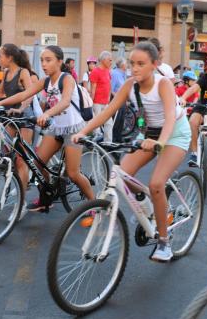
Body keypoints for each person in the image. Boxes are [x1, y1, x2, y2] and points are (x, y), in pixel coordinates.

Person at [73, 41, 191, 262]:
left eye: (140, 64)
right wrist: (84, 132)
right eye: (131, 63)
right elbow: (107, 111)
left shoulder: (163, 84)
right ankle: (151, 211)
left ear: (154, 65)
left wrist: (161, 142)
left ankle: (164, 242)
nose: (134, 68)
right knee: (122, 175)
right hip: (148, 134)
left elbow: (168, 118)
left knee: (157, 184)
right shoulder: (130, 85)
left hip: (174, 133)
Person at [0, 45, 95, 212]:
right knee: (37, 164)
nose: (44, 64)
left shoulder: (67, 78)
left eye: (48, 60)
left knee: (73, 174)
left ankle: (95, 205)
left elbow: (65, 101)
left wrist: (47, 114)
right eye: (42, 60)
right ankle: (46, 198)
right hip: (56, 127)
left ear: (59, 61)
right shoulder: (46, 81)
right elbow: (23, 95)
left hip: (73, 129)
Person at [0, 43, 36, 215]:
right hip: (11, 117)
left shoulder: (23, 72)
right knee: (7, 154)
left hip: (24, 117)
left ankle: (22, 203)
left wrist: (20, 108)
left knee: (21, 159)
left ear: (10, 57)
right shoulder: (6, 73)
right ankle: (16, 181)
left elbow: (30, 93)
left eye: (0, 55)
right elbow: (1, 93)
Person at [90, 51, 113, 142]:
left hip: (105, 102)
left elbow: (109, 84)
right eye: (110, 60)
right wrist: (91, 102)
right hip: (97, 102)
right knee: (97, 124)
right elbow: (93, 88)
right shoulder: (95, 71)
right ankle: (96, 143)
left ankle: (108, 143)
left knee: (109, 123)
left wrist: (109, 98)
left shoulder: (107, 71)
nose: (111, 62)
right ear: (103, 60)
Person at [111, 57, 128, 142]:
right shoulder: (114, 73)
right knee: (116, 121)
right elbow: (111, 89)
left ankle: (119, 138)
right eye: (126, 63)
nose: (127, 65)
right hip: (117, 101)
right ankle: (113, 138)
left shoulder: (123, 74)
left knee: (121, 120)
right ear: (122, 65)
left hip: (123, 100)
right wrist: (117, 98)